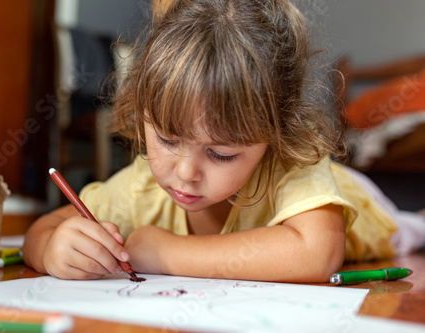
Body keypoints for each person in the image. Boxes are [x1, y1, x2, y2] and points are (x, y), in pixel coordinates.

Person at [23, 0, 425, 282]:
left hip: (374, 209)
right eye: (167, 138)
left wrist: (165, 253)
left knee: (414, 228)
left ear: (276, 135)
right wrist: (54, 249)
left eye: (220, 153)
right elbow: (43, 230)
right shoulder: (142, 185)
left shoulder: (294, 164)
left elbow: (317, 254)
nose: (184, 172)